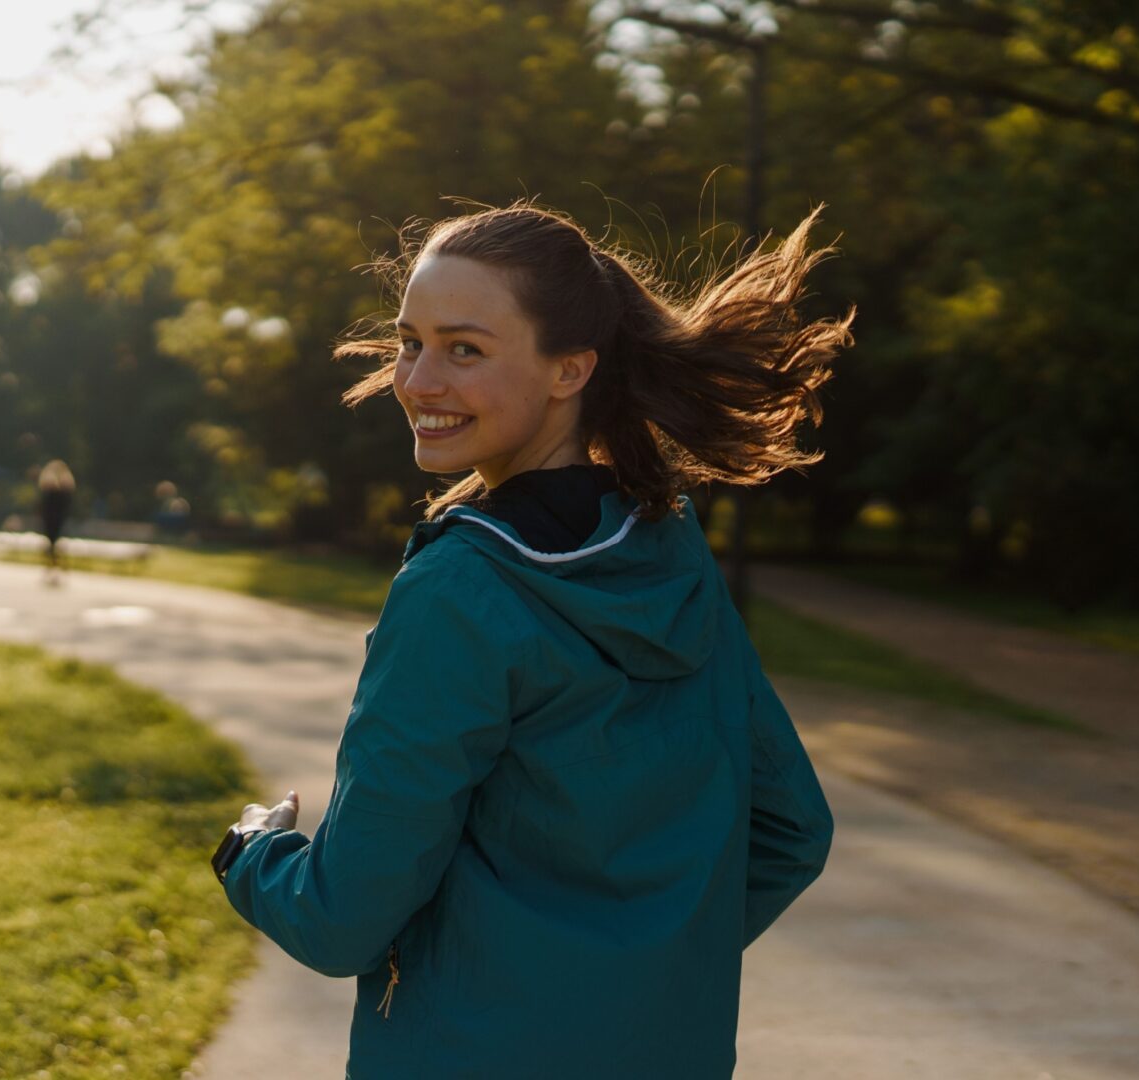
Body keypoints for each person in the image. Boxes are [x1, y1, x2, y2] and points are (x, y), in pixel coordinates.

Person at [216, 200, 853, 1078]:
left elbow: (342, 919)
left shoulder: (457, 592)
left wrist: (250, 852)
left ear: (571, 370)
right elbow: (791, 830)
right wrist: (626, 970)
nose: (416, 380)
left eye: (464, 349)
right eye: (410, 342)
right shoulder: (669, 548)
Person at [36, 459, 75, 582]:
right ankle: (55, 565)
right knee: (53, 543)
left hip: (55, 519)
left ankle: (55, 565)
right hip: (56, 519)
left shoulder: (58, 489)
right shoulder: (61, 489)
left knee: (54, 544)